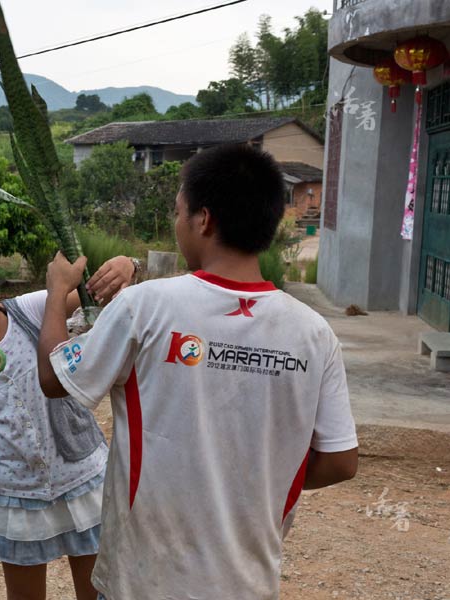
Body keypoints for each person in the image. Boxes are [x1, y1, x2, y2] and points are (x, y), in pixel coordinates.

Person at [36, 144, 359, 600]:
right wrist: (253, 473)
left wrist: (57, 292)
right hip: (250, 583)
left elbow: (54, 381)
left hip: (144, 582)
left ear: (203, 219)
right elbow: (341, 462)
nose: (175, 223)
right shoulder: (314, 333)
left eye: (177, 212)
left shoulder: (146, 307)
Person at [0, 251, 139, 600]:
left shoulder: (30, 310)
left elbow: (95, 290)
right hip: (18, 497)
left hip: (81, 479)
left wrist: (129, 266)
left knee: (97, 593)